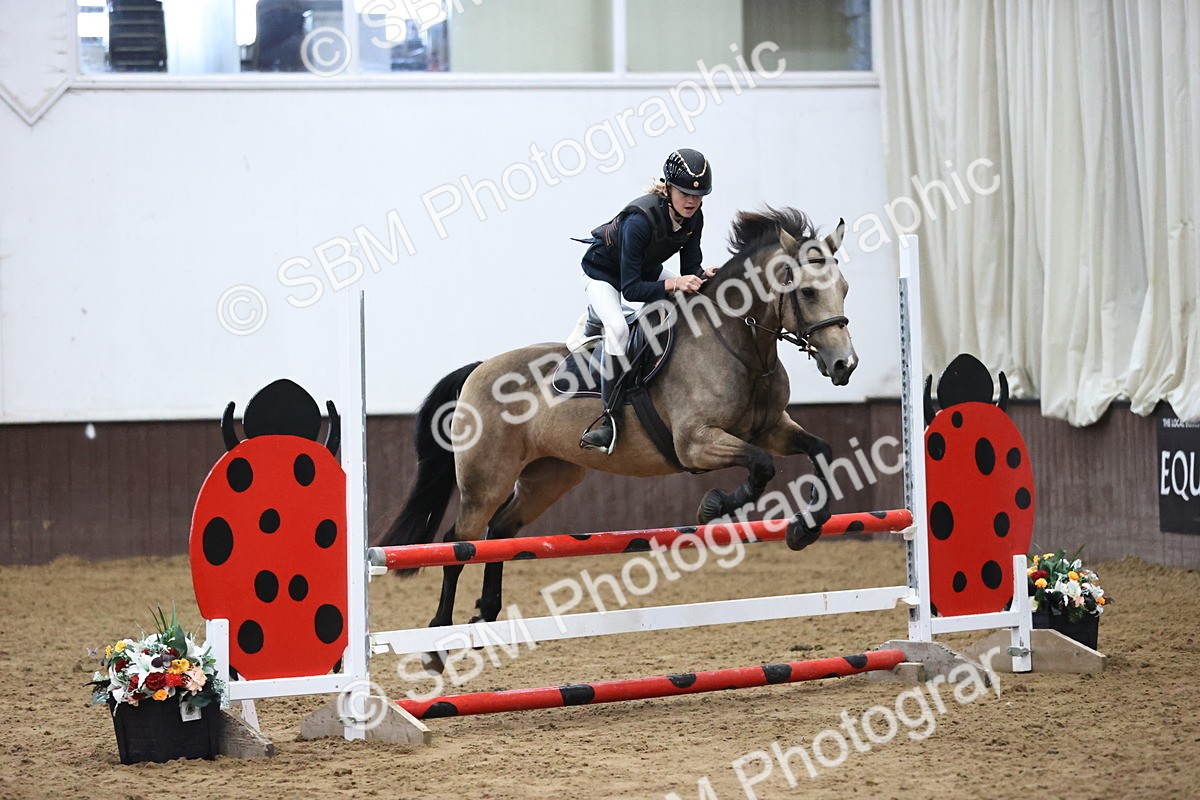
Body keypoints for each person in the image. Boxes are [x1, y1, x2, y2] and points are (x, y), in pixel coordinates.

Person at [575, 148, 718, 454]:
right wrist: (674, 283)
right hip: (604, 275)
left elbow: (689, 269)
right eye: (683, 194)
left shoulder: (695, 217)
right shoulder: (640, 221)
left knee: (689, 298)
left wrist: (704, 275)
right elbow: (632, 290)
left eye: (699, 195)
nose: (692, 201)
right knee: (618, 328)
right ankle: (609, 420)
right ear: (668, 189)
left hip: (643, 271)